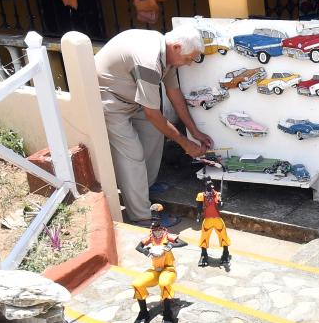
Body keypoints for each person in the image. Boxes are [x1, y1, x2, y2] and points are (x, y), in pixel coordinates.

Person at [95, 26, 212, 225]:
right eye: (188, 58)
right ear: (176, 47)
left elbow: (174, 95)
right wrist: (185, 143)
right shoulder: (149, 61)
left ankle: (142, 189)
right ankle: (142, 216)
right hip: (110, 101)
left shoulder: (167, 54)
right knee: (132, 154)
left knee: (155, 133)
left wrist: (194, 131)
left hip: (133, 98)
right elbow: (152, 114)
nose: (190, 63)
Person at [195, 176, 231, 268]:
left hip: (217, 219)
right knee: (204, 236)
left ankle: (226, 253)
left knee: (223, 235)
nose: (211, 185)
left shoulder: (217, 194)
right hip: (207, 219)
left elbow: (220, 206)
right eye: (208, 183)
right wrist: (198, 216)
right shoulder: (201, 195)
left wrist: (221, 203)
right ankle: (203, 254)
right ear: (205, 184)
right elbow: (199, 207)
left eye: (211, 183)